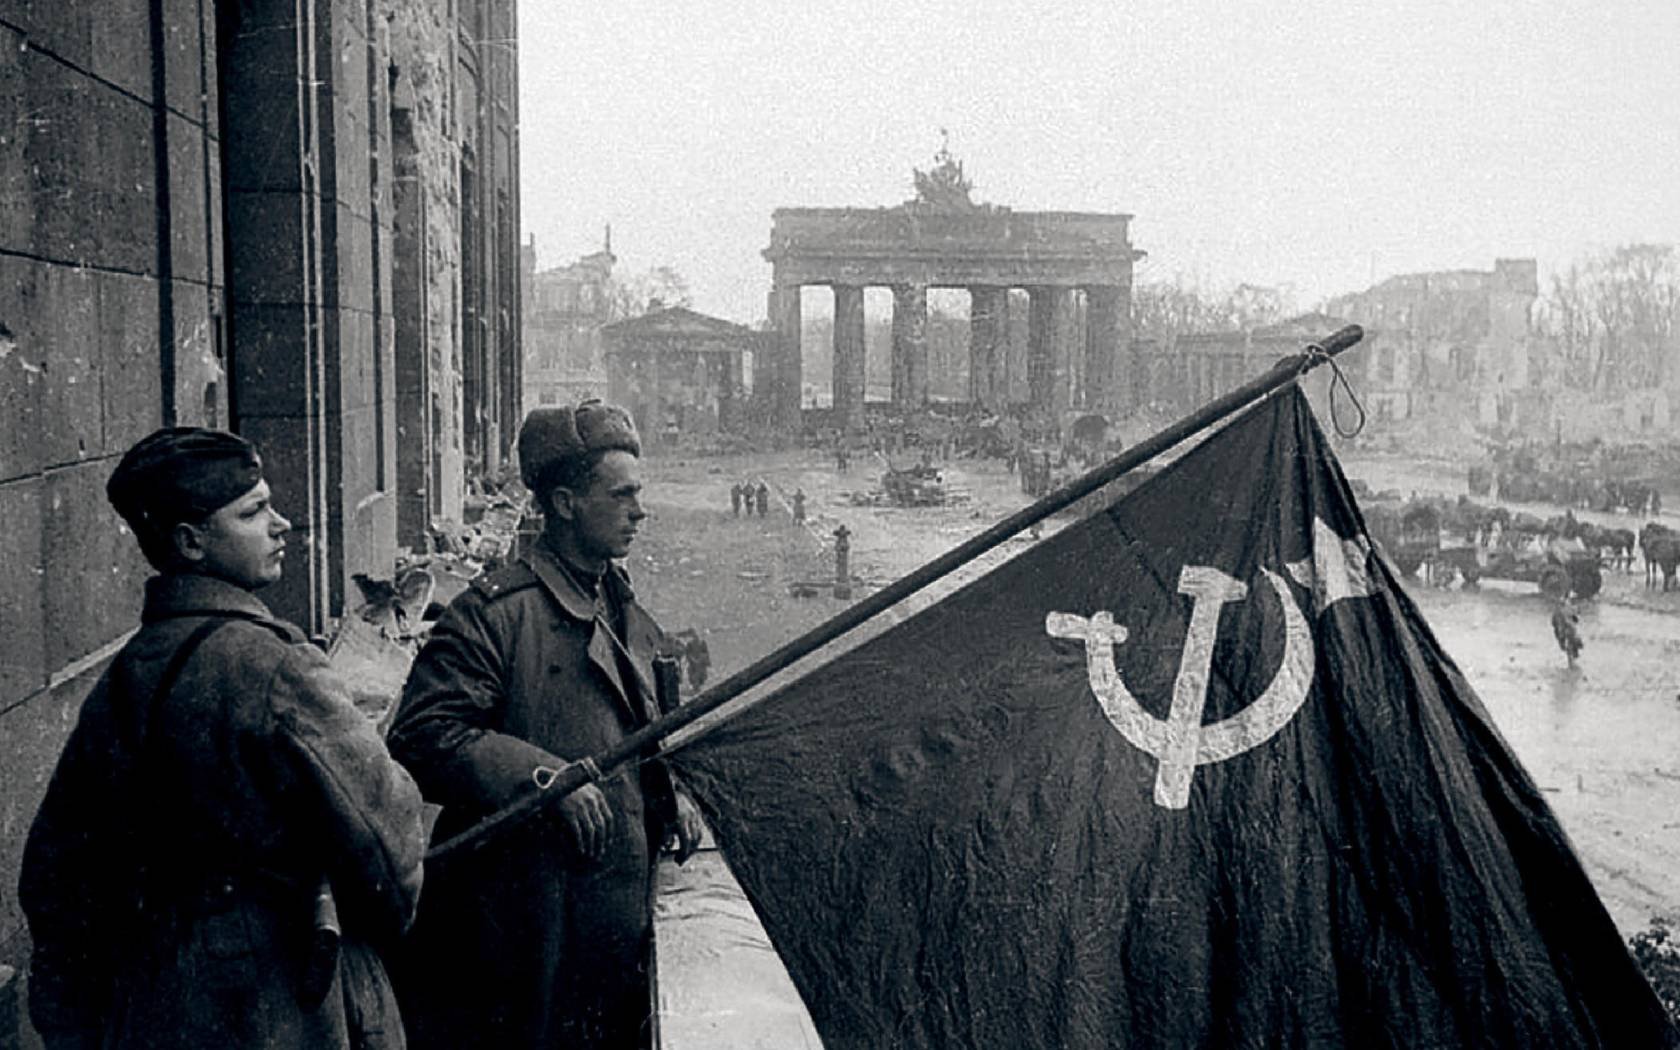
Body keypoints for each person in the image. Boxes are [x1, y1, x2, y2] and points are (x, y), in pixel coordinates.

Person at [18, 427, 425, 1050]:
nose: (282, 523)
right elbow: (387, 834)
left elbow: (55, 870)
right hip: (279, 998)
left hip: (152, 1000)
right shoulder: (277, 666)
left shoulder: (131, 670)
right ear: (191, 542)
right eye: (254, 512)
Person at [388, 399, 704, 1049]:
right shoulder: (497, 613)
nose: (639, 511)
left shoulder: (616, 600)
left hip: (608, 922)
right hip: (524, 934)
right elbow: (421, 734)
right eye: (621, 496)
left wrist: (670, 788)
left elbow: (640, 723)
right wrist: (542, 777)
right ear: (564, 503)